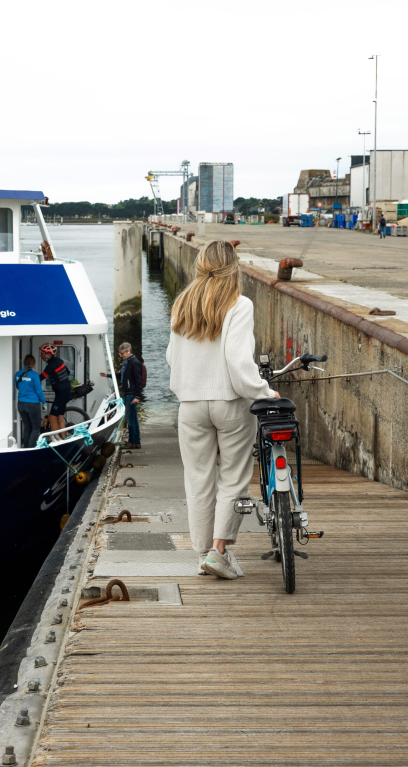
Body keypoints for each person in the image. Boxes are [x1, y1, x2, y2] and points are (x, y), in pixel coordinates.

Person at [166, 240, 279, 581]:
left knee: (198, 478)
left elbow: (173, 357)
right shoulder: (239, 305)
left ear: (201, 265)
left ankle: (202, 553)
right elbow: (238, 360)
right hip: (229, 403)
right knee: (233, 477)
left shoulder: (182, 304)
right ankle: (218, 551)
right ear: (234, 268)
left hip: (191, 404)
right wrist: (263, 392)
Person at [100, 342, 144, 447]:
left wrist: (137, 396)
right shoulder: (127, 362)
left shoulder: (133, 362)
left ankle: (132, 442)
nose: (120, 355)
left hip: (131, 394)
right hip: (129, 393)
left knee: (130, 418)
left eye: (122, 353)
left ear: (129, 351)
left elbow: (139, 380)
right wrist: (109, 375)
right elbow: (123, 376)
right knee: (133, 418)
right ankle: (135, 442)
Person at [39, 343, 72, 434]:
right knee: (60, 419)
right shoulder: (59, 360)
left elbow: (40, 378)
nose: (40, 355)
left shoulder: (50, 366)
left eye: (42, 353)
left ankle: (57, 441)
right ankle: (63, 440)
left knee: (52, 418)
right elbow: (68, 372)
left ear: (48, 354)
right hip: (65, 391)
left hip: (61, 393)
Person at [14, 354, 46, 448]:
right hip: (32, 404)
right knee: (35, 429)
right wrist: (44, 402)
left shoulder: (17, 374)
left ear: (24, 362)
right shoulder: (34, 375)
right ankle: (31, 449)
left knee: (27, 427)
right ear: (34, 363)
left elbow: (17, 386)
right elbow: (39, 390)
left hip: (21, 404)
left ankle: (25, 449)